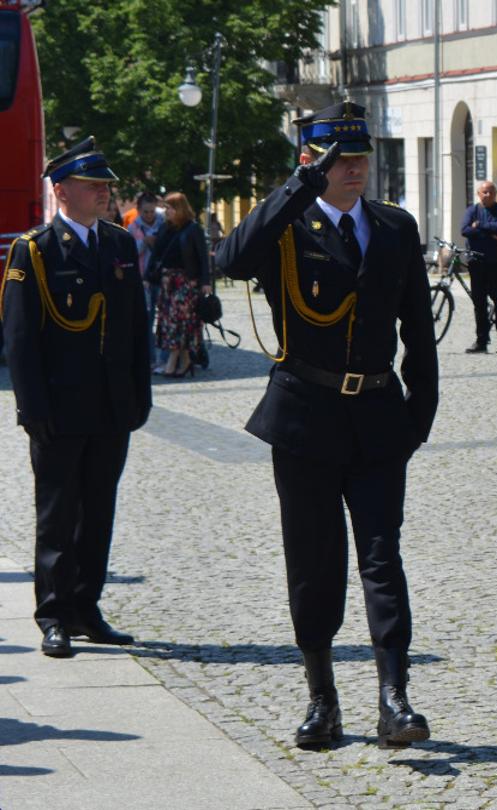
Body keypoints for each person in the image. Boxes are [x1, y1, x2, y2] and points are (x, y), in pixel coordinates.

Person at [212, 103, 437, 750]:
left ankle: (395, 698)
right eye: (342, 160)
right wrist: (297, 187)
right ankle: (322, 698)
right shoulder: (287, 226)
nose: (356, 169)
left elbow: (418, 332)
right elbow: (230, 258)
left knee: (380, 556)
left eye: (362, 157)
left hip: (375, 415)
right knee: (313, 562)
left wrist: (417, 416)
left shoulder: (394, 227)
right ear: (313, 163)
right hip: (305, 418)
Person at [4, 137, 152, 659]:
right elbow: (20, 338)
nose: (104, 193)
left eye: (106, 186)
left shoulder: (117, 244)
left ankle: (87, 606)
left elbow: (137, 325)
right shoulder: (35, 250)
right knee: (58, 514)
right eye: (94, 186)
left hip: (111, 407)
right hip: (59, 410)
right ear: (62, 191)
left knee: (99, 512)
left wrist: (140, 394)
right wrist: (32, 408)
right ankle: (53, 614)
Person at [149, 192, 211, 378]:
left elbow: (203, 257)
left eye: (169, 208)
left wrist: (206, 282)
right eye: (165, 208)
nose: (166, 211)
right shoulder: (165, 228)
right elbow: (157, 256)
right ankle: (185, 362)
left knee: (178, 322)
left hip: (186, 283)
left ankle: (171, 362)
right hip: (168, 283)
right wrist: (147, 276)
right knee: (171, 322)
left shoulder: (193, 229)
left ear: (179, 209)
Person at [460, 181, 497, 354]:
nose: (487, 195)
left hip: (496, 263)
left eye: (490, 192)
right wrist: (491, 233)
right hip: (476, 263)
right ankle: (481, 341)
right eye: (484, 192)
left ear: (495, 193)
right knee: (479, 303)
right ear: (478, 194)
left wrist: (480, 226)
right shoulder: (472, 210)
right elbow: (465, 230)